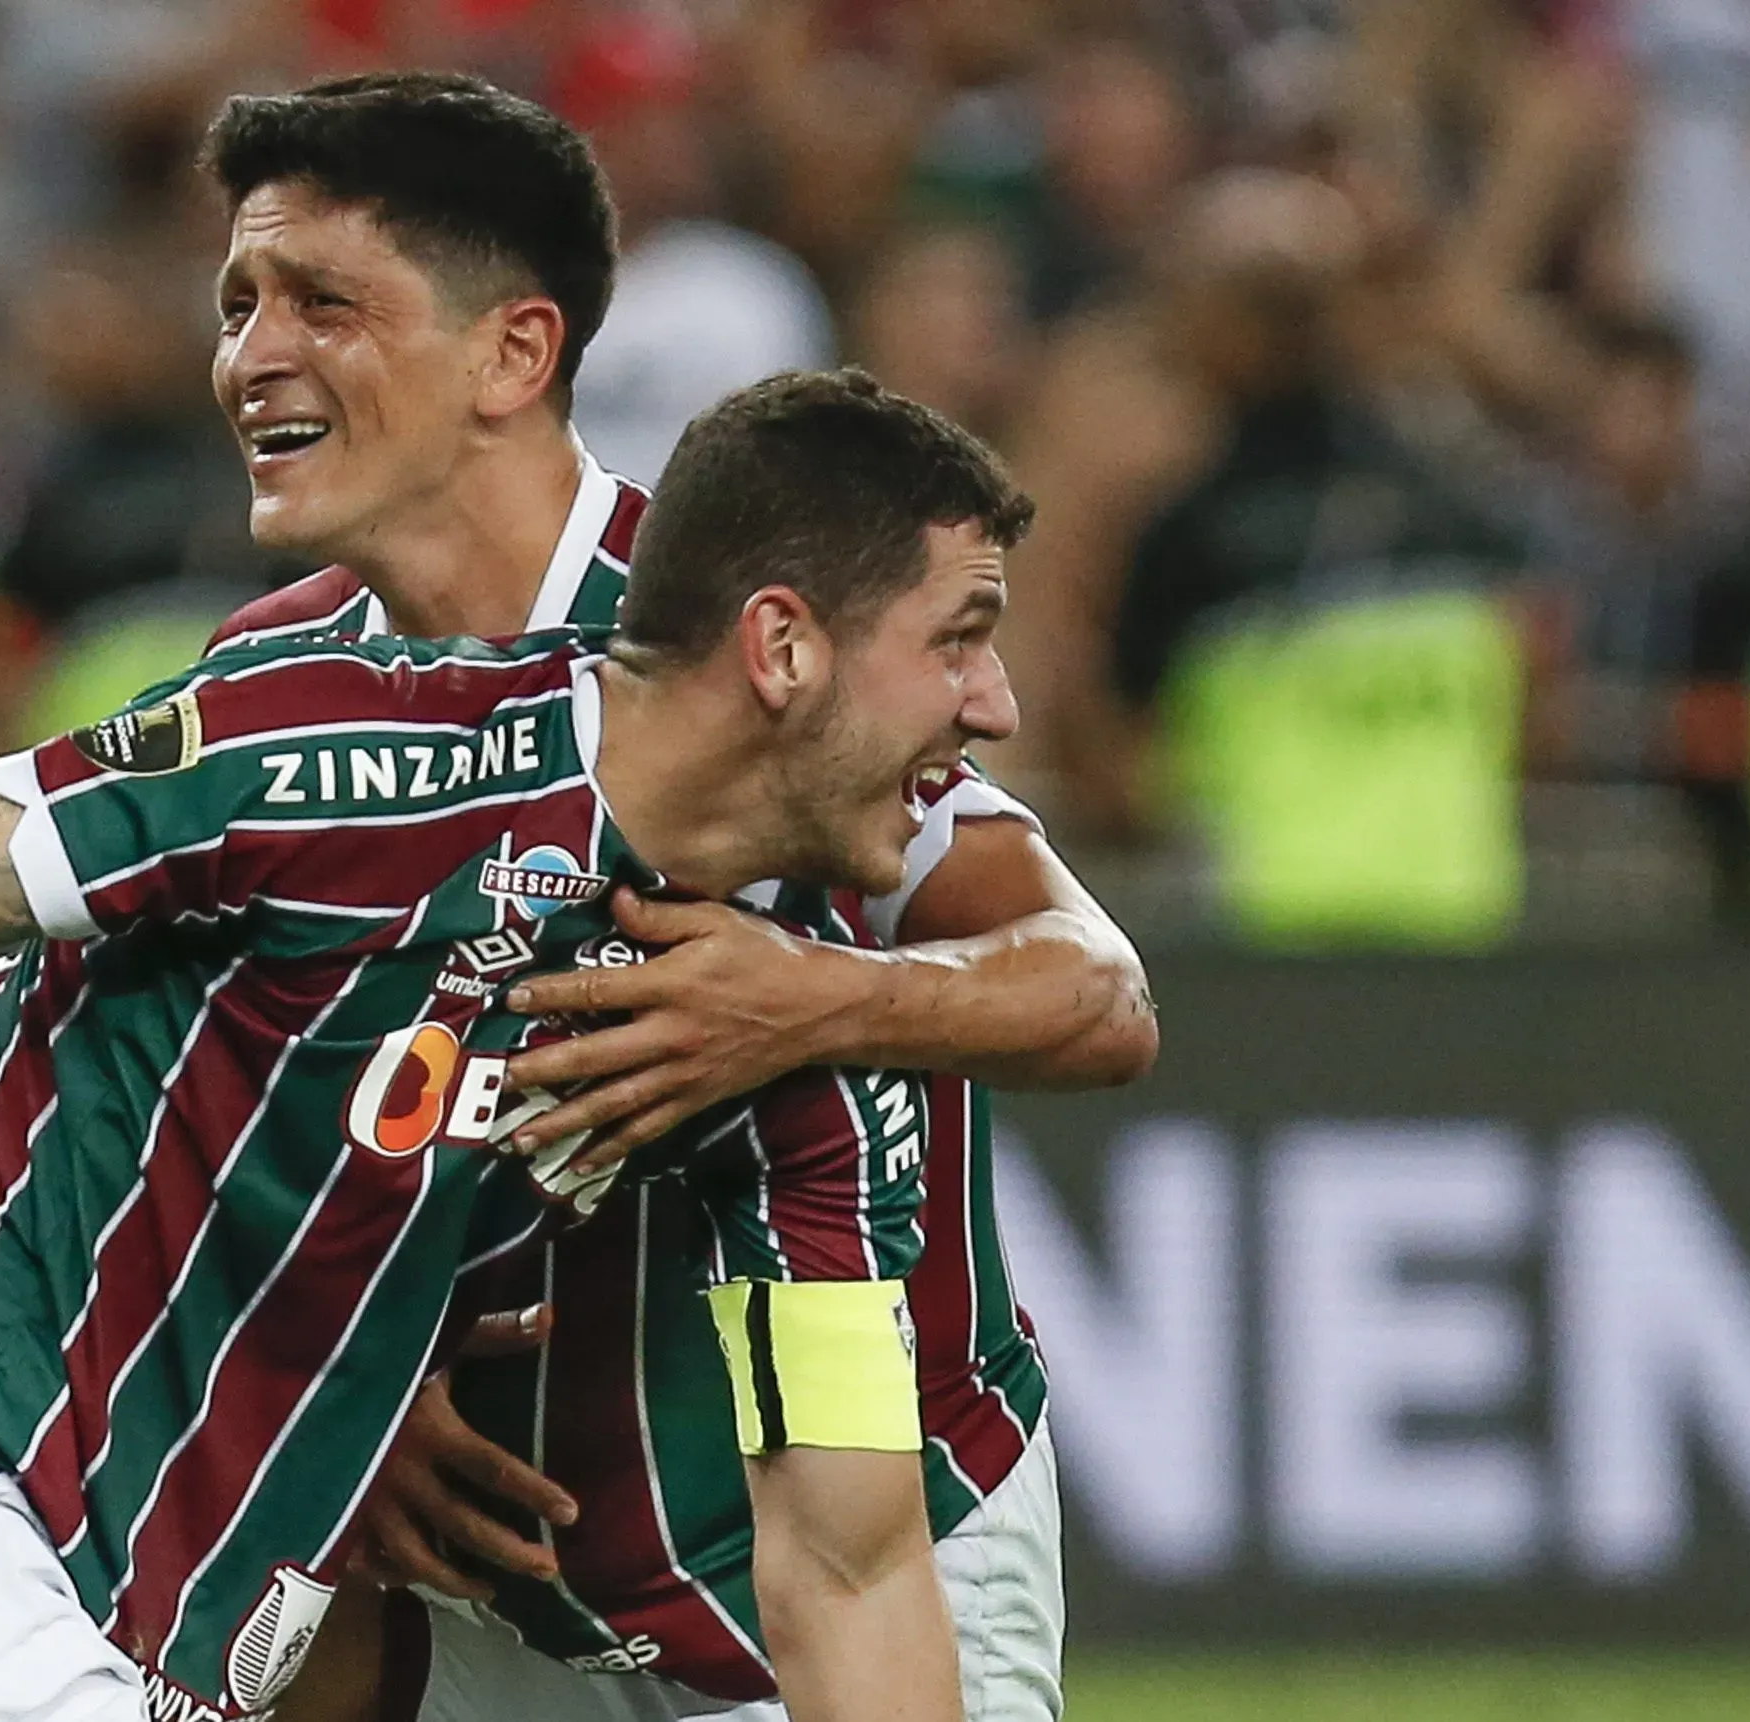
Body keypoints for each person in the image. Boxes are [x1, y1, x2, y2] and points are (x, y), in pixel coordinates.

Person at [0, 369, 1028, 1722]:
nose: (1000, 705)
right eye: (958, 638)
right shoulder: (336, 762)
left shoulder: (800, 1067)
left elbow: (846, 1559)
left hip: (118, 1637)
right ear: (783, 648)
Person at [187, 75, 1151, 1722]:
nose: (250, 356)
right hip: (507, 1547)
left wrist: (818, 995)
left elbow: (1094, 986)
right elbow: (199, 1103)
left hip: (877, 1496)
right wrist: (333, 1362)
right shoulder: (263, 679)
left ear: (512, 353)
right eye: (237, 304)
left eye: (323, 304)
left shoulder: (721, 629)